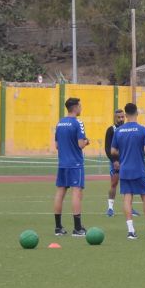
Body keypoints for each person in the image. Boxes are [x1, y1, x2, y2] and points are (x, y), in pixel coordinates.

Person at [111, 103, 145, 240]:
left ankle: (131, 231)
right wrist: (137, 153)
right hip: (138, 169)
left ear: (126, 114)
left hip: (124, 169)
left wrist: (124, 154)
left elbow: (113, 151)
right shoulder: (142, 130)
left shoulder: (119, 131)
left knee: (127, 198)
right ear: (137, 112)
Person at [53, 97, 89, 237]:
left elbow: (56, 145)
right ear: (75, 107)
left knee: (60, 193)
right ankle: (77, 228)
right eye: (80, 106)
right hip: (75, 164)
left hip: (62, 163)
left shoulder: (59, 123)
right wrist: (87, 141)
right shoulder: (78, 123)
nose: (81, 108)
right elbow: (81, 144)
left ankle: (58, 227)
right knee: (76, 193)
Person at [106, 108, 134, 217]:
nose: (121, 119)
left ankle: (130, 208)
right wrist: (114, 161)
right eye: (119, 117)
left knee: (129, 184)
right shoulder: (111, 130)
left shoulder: (128, 129)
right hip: (116, 161)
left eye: (122, 117)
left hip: (127, 161)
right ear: (114, 118)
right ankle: (110, 208)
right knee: (114, 183)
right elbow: (108, 148)